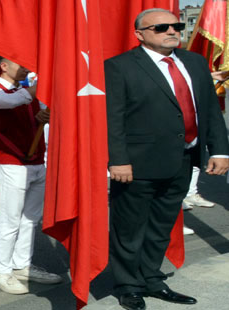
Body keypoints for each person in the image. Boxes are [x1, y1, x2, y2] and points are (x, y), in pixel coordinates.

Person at [105, 8, 229, 310]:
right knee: (130, 228)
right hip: (136, 163)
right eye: (161, 28)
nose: (172, 31)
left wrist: (220, 150)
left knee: (161, 225)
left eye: (175, 26)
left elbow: (210, 110)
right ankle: (128, 285)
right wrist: (118, 160)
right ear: (140, 34)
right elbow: (113, 117)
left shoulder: (195, 63)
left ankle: (151, 278)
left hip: (184, 158)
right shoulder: (119, 66)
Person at [0, 56, 61, 295]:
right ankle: (1, 271)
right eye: (20, 63)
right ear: (3, 66)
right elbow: (10, 101)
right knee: (9, 220)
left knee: (30, 220)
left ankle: (22, 265)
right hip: (10, 163)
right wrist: (41, 87)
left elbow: (34, 110)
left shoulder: (25, 91)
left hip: (36, 161)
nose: (26, 68)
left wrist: (43, 116)